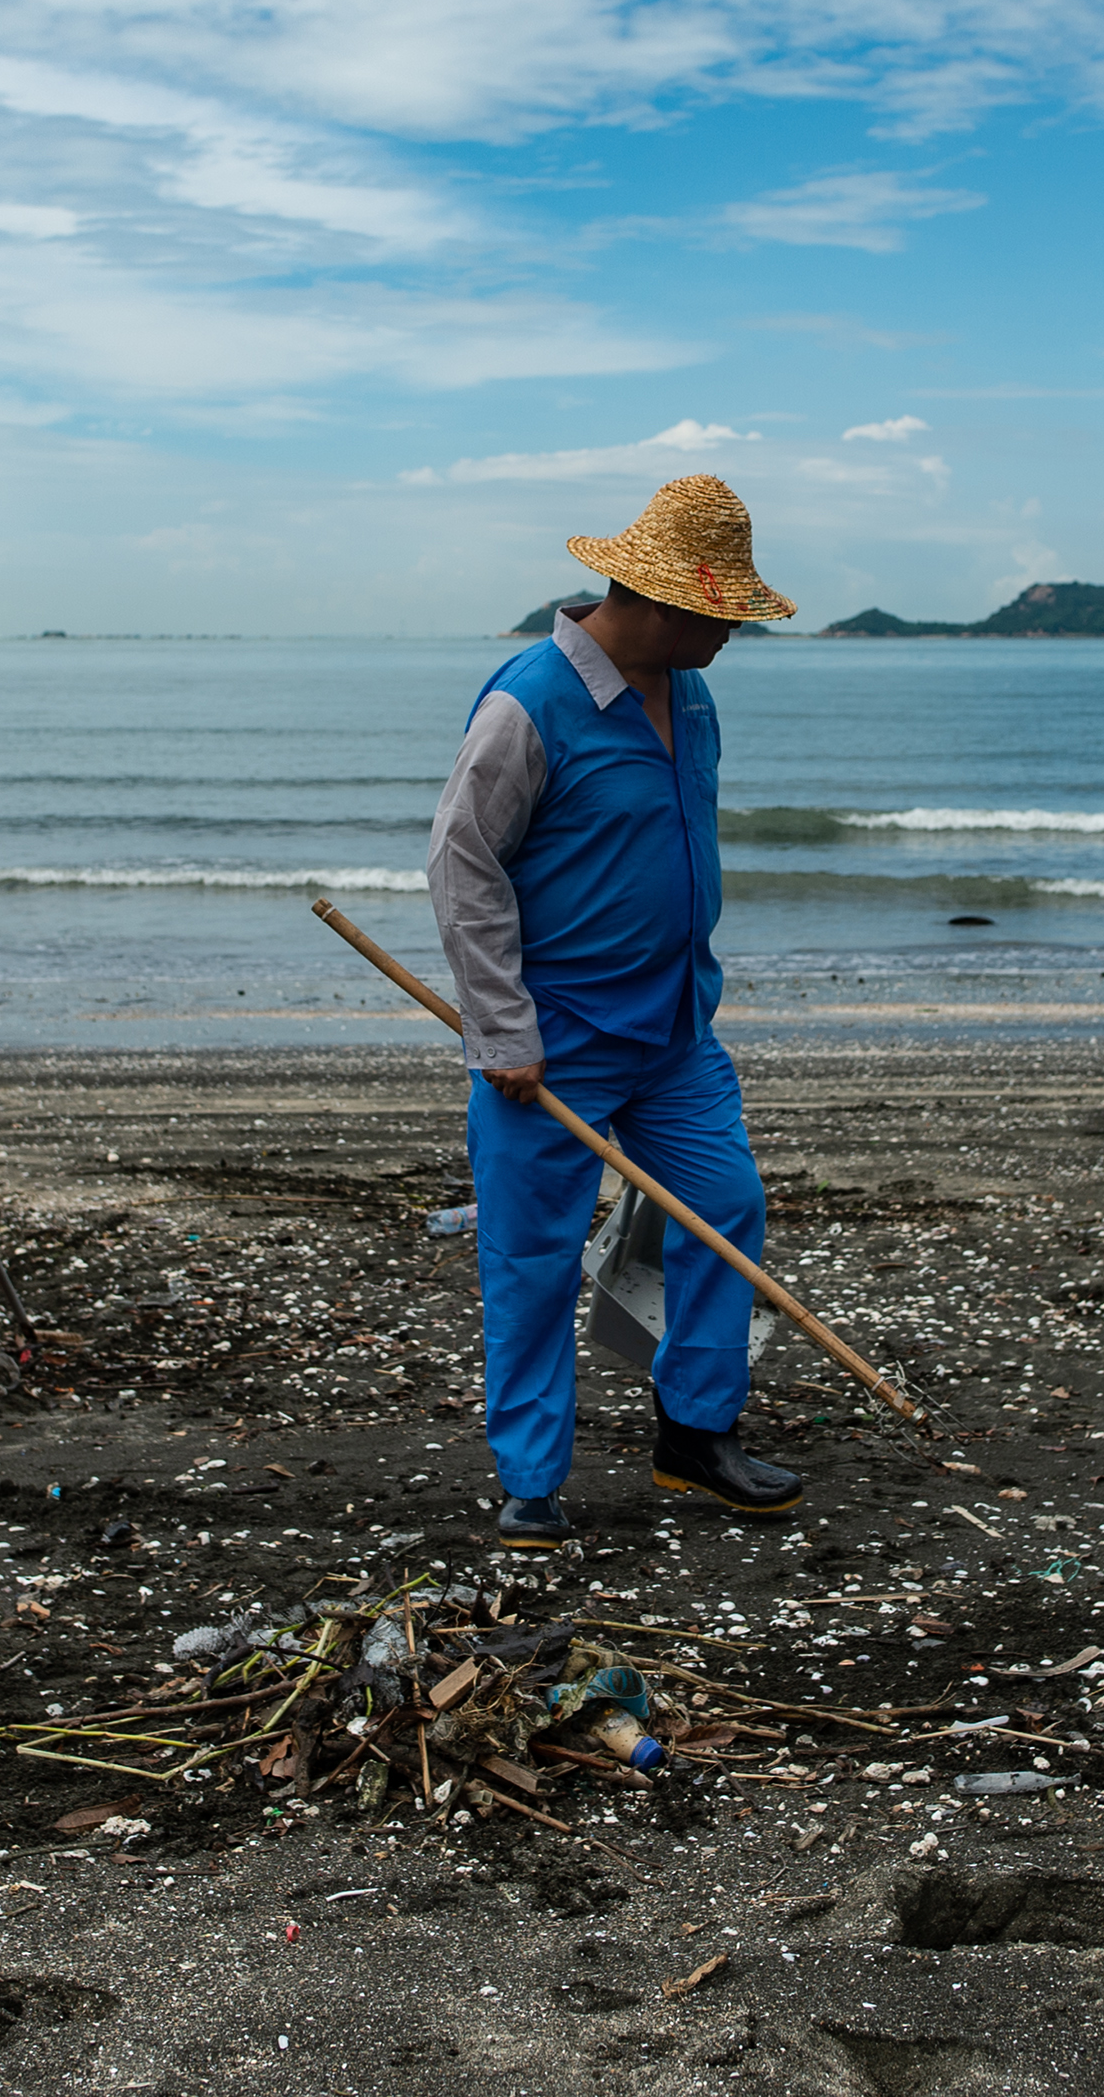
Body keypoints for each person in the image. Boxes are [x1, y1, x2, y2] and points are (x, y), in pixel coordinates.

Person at [427, 475, 808, 1549]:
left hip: (676, 1030)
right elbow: (462, 866)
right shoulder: (528, 701)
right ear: (651, 600)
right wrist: (500, 1029)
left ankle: (693, 1435)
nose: (734, 629)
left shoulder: (689, 691)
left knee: (724, 1209)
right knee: (532, 1253)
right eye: (722, 610)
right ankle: (533, 1479)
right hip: (552, 1043)